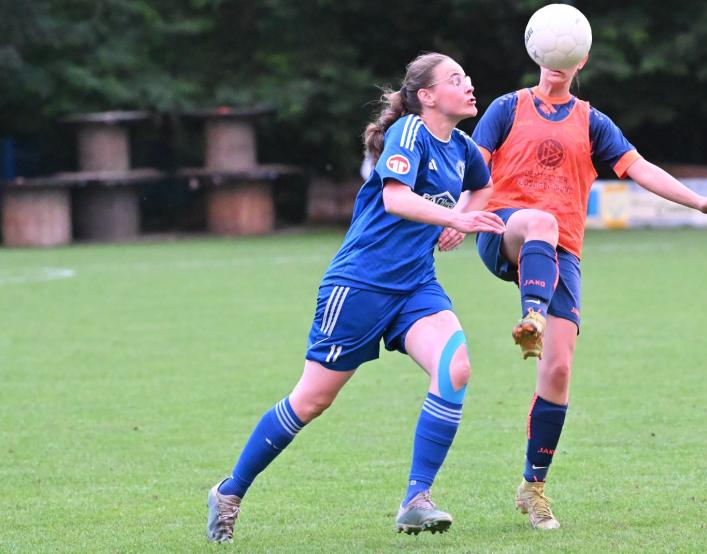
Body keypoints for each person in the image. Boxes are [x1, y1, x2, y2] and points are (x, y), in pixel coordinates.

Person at [205, 52, 505, 542]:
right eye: (456, 79)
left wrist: (461, 220)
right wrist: (456, 217)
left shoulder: (463, 147)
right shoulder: (410, 132)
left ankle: (416, 499)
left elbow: (484, 186)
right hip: (360, 285)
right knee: (312, 400)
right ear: (427, 96)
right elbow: (395, 198)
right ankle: (229, 491)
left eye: (467, 77)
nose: (469, 85)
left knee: (455, 368)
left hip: (416, 285)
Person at [467, 54, 707, 529]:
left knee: (558, 370)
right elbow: (471, 167)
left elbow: (640, 167)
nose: (556, 61)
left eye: (565, 54)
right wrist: (456, 216)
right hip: (503, 229)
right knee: (540, 222)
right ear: (535, 51)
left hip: (562, 252)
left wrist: (697, 201)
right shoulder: (507, 108)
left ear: (580, 60)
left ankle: (533, 487)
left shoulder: (592, 122)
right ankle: (533, 315)